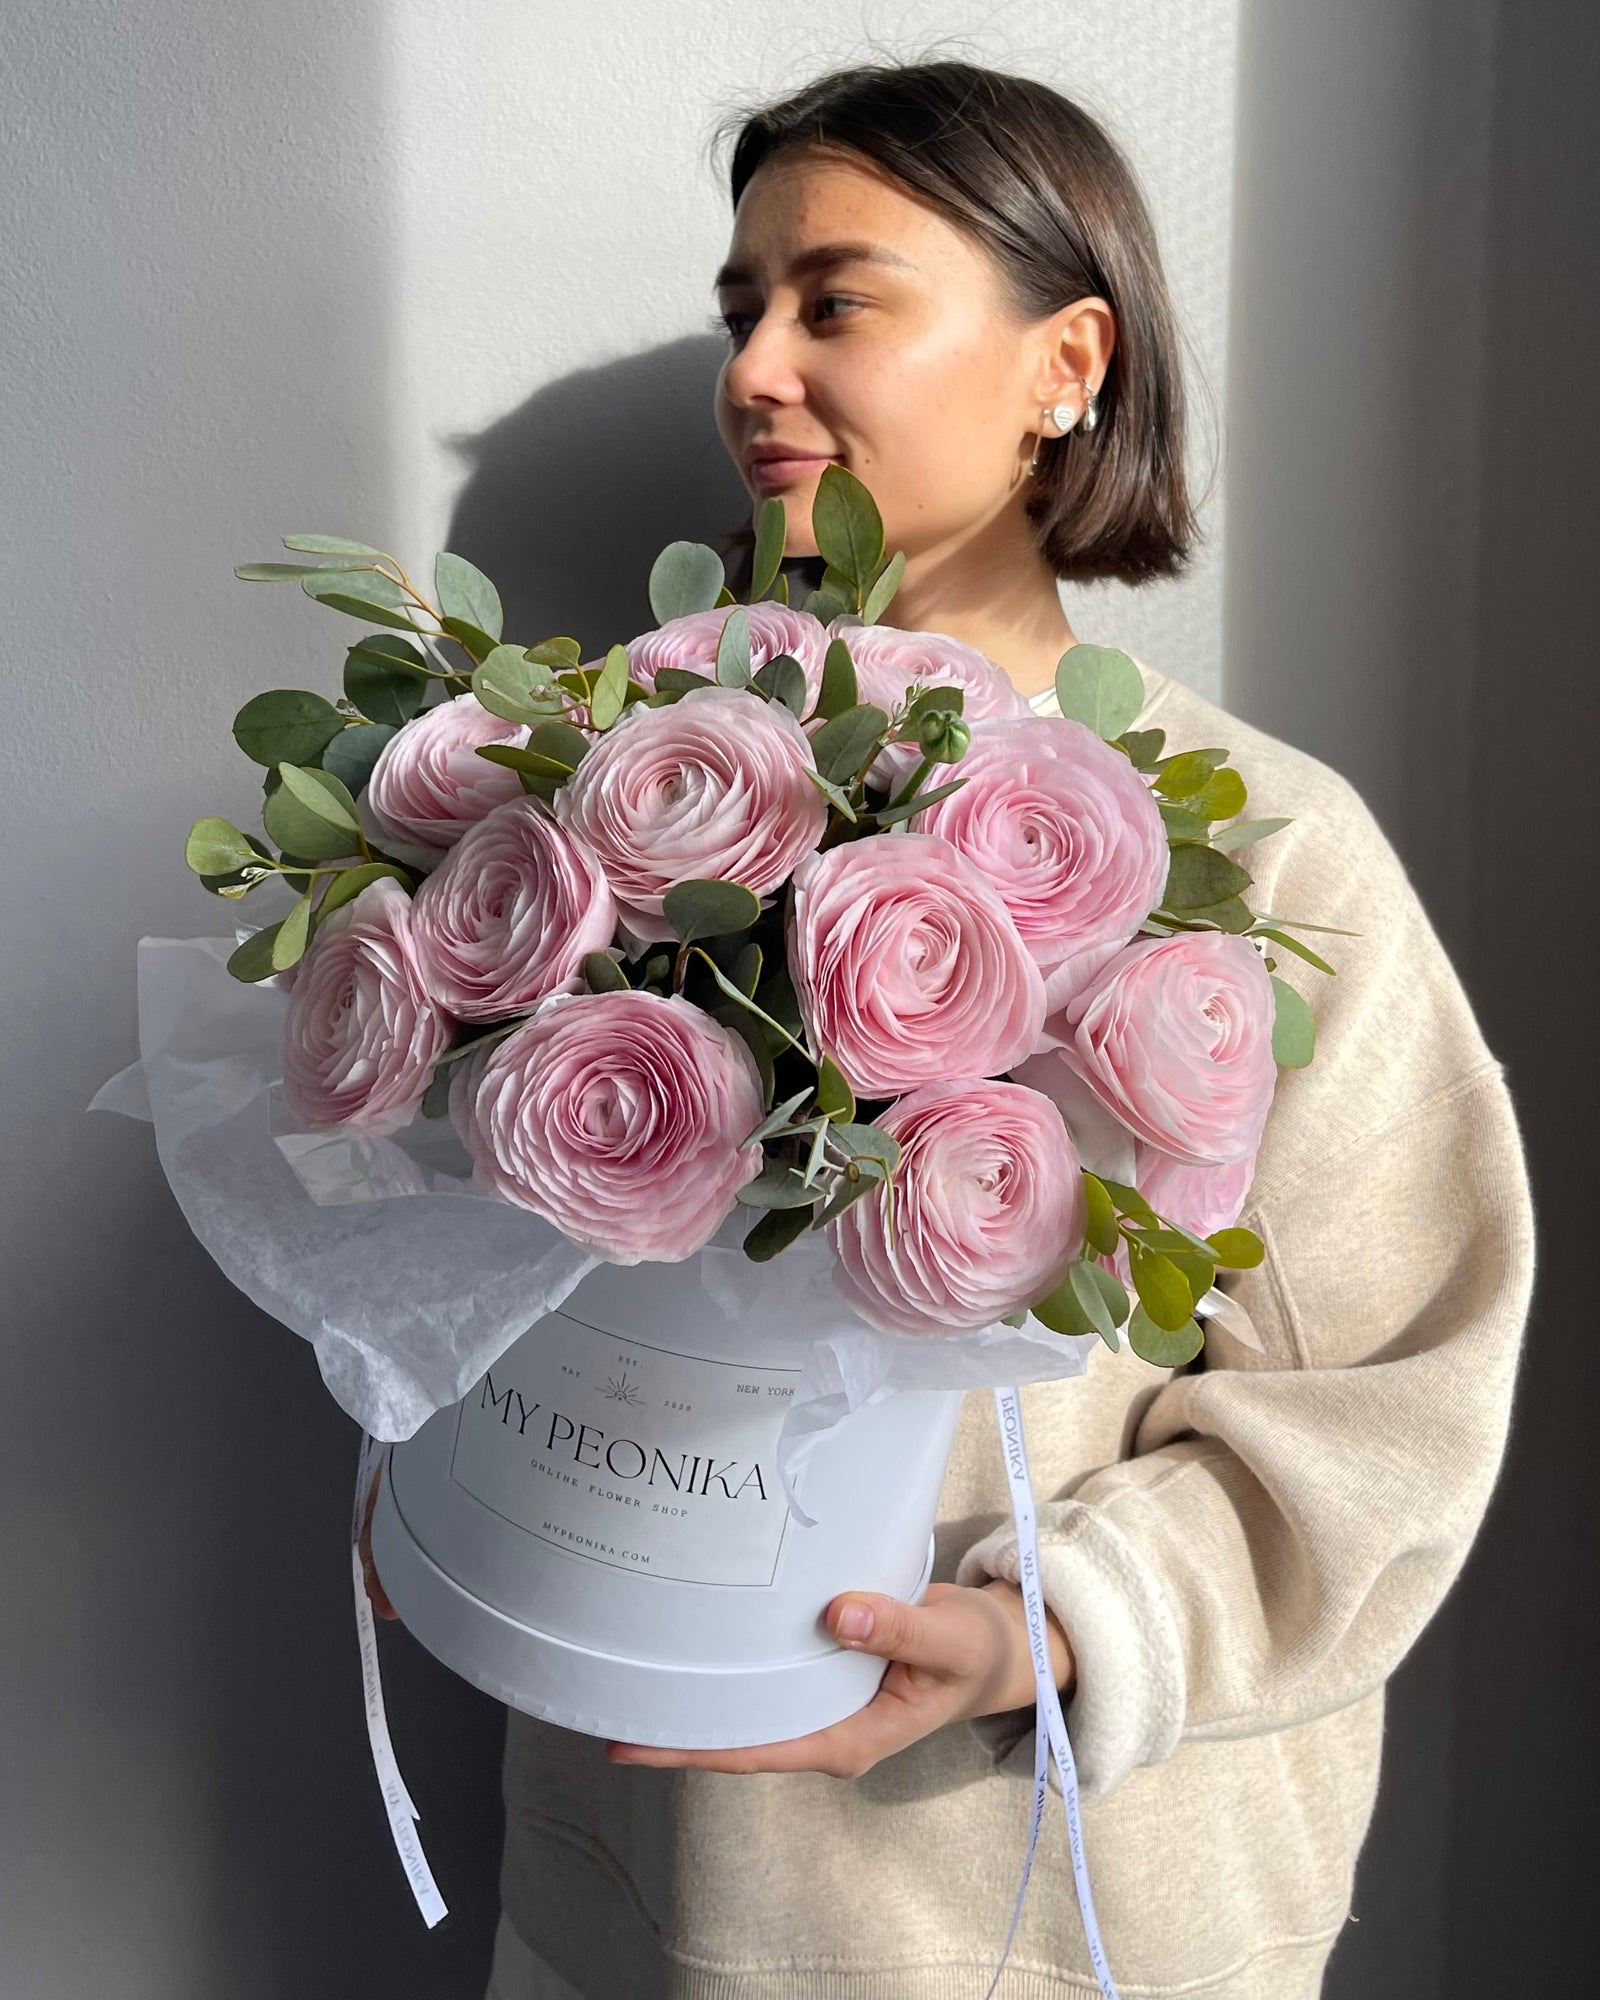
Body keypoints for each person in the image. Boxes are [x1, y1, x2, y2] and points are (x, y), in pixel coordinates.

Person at [360, 58, 1536, 2000]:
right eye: (742, 307)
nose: (751, 367)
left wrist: (1053, 1622)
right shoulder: (606, 798)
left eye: (832, 301)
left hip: (1055, 1912)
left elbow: (1395, 1391)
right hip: (646, 1894)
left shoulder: (1266, 853)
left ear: (1064, 361)